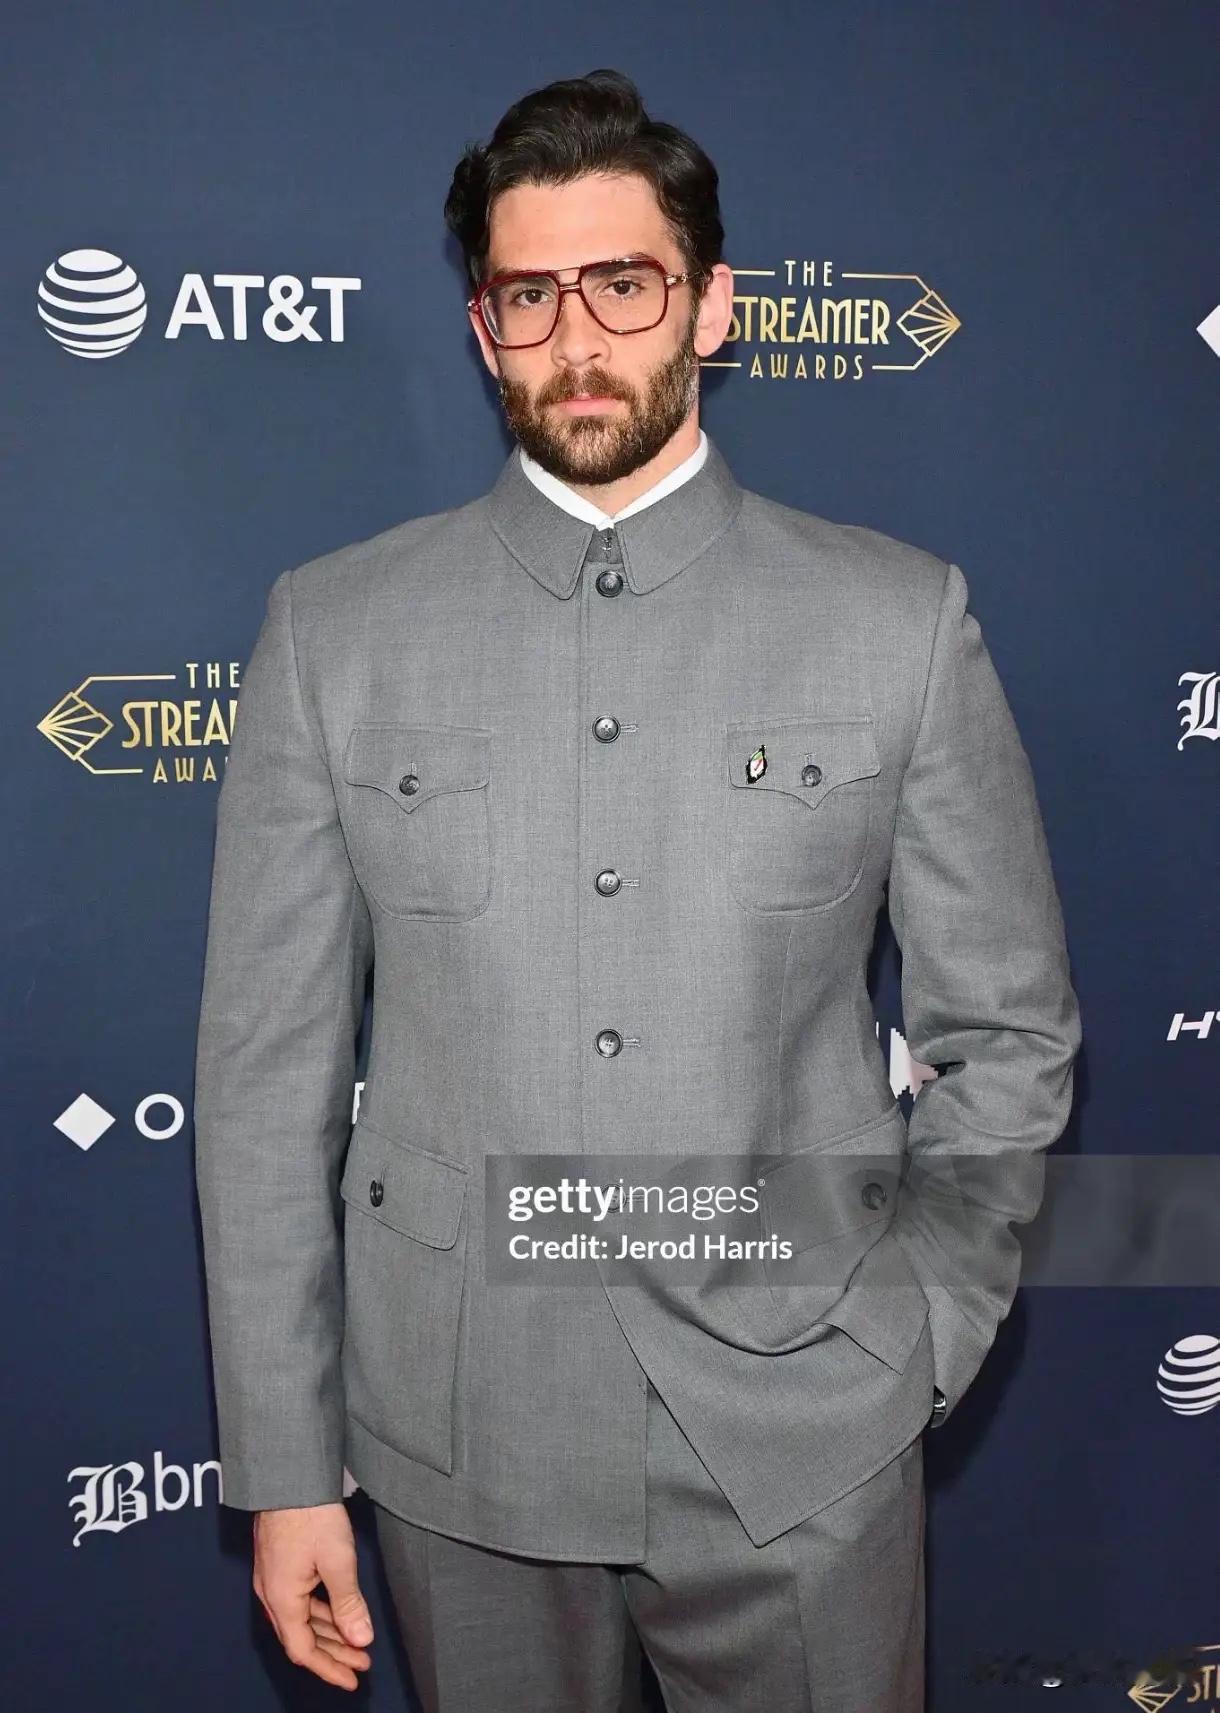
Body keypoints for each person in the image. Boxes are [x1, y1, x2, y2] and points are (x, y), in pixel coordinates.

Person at [193, 66, 1081, 1713]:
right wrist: (287, 1463)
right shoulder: (334, 633)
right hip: (461, 1438)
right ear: (483, 329)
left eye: (623, 283)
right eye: (529, 296)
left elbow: (1006, 1033)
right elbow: (263, 1085)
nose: (577, 338)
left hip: (808, 1428)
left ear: (712, 304)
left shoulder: (897, 621)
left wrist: (918, 1334)